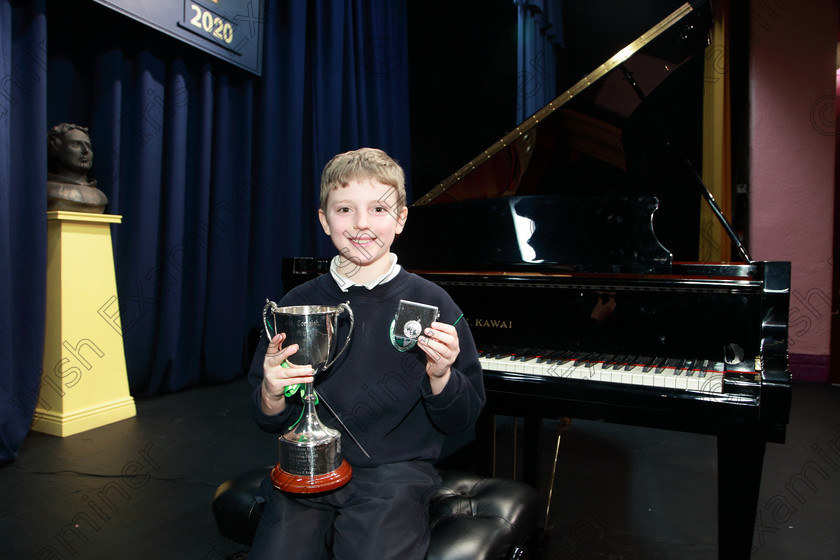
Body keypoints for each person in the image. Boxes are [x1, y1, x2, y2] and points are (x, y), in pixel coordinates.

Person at [247, 147, 485, 559]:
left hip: (395, 476)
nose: (361, 224)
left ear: (401, 219)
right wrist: (271, 392)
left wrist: (442, 376)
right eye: (344, 210)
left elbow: (462, 418)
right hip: (308, 469)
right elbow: (270, 418)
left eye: (378, 208)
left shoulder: (434, 302)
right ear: (324, 220)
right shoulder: (297, 304)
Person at [46, 123, 108, 213]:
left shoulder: (100, 197)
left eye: (88, 147)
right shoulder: (49, 191)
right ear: (56, 148)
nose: (85, 151)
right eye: (76, 145)